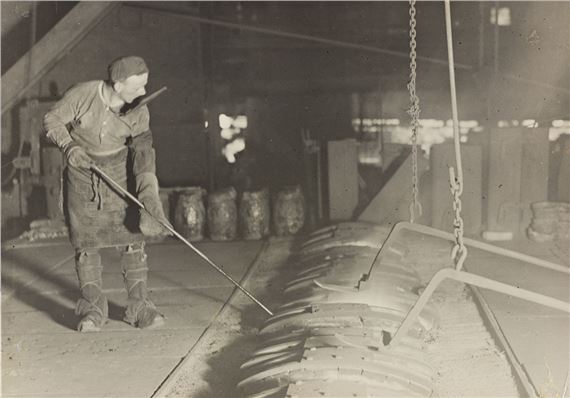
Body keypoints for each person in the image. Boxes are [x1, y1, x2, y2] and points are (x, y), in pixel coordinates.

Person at [43, 56, 171, 332]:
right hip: (82, 174)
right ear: (117, 84)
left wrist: (149, 195)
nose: (143, 93)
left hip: (120, 173)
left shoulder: (139, 109)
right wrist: (68, 147)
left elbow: (143, 150)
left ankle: (140, 307)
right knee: (86, 245)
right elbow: (51, 119)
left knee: (133, 240)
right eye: (137, 87)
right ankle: (92, 309)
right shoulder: (83, 94)